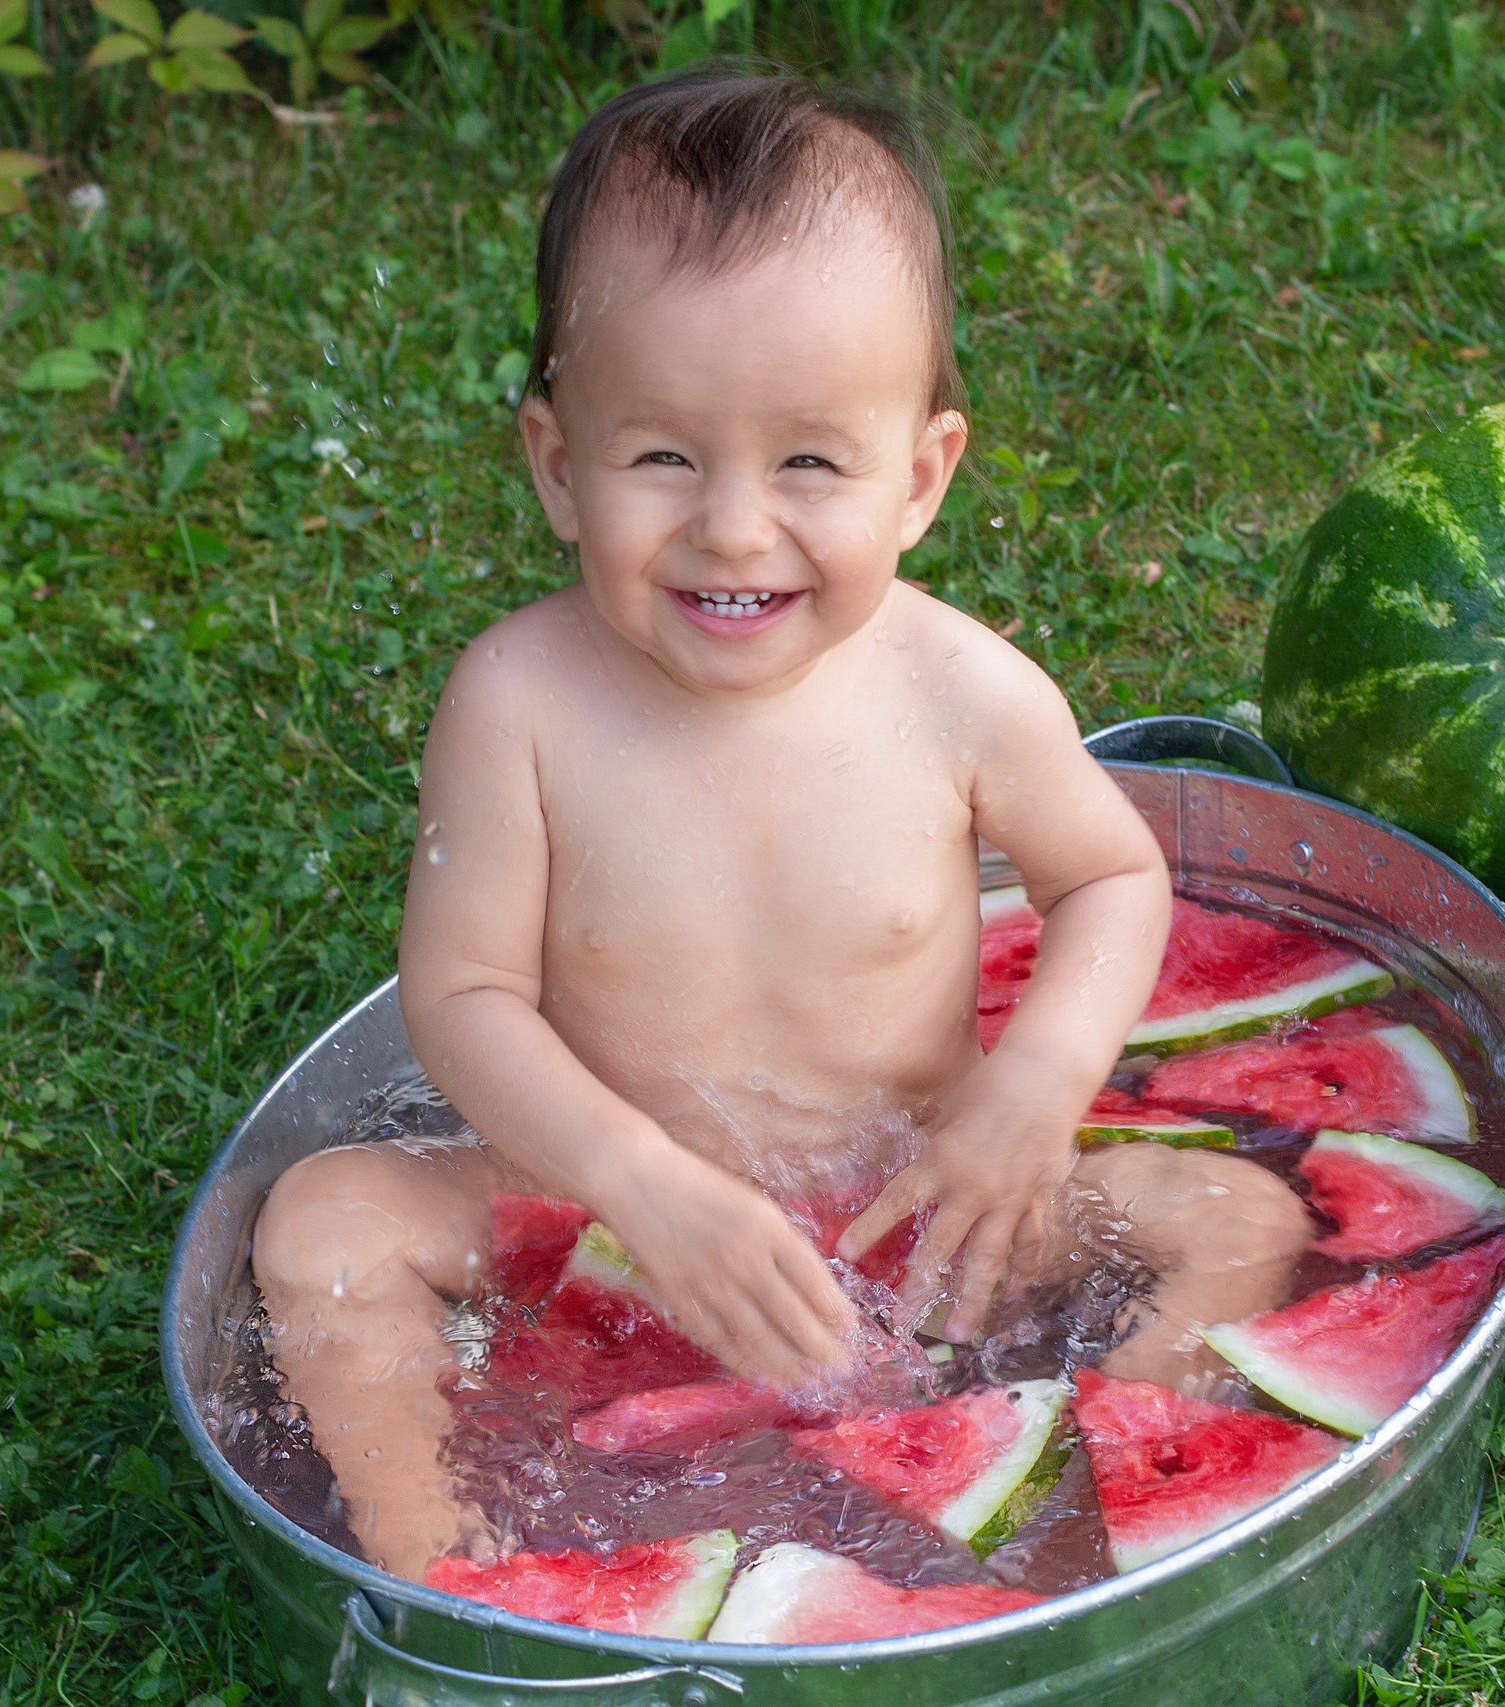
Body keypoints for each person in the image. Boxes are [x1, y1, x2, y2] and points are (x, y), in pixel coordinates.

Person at [249, 68, 1310, 1582]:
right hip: (594, 1210)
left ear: (923, 477)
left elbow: (1114, 875)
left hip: (925, 1209)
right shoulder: (519, 702)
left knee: (1234, 1210)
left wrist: (1033, 1096)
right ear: (560, 466)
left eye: (810, 459)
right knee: (323, 1222)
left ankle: (1102, 1517)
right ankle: (441, 1560)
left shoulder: (960, 689)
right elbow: (462, 999)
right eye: (663, 455)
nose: (735, 525)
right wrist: (634, 1182)